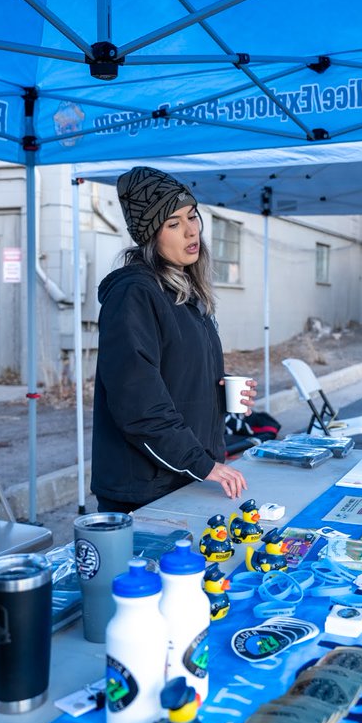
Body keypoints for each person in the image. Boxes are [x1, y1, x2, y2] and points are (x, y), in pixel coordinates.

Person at [91, 166, 250, 514]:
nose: (191, 230)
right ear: (151, 236)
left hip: (186, 478)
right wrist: (201, 463)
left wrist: (220, 393)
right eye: (173, 224)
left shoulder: (186, 293)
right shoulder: (134, 294)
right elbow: (138, 401)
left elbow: (176, 378)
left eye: (192, 216)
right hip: (144, 491)